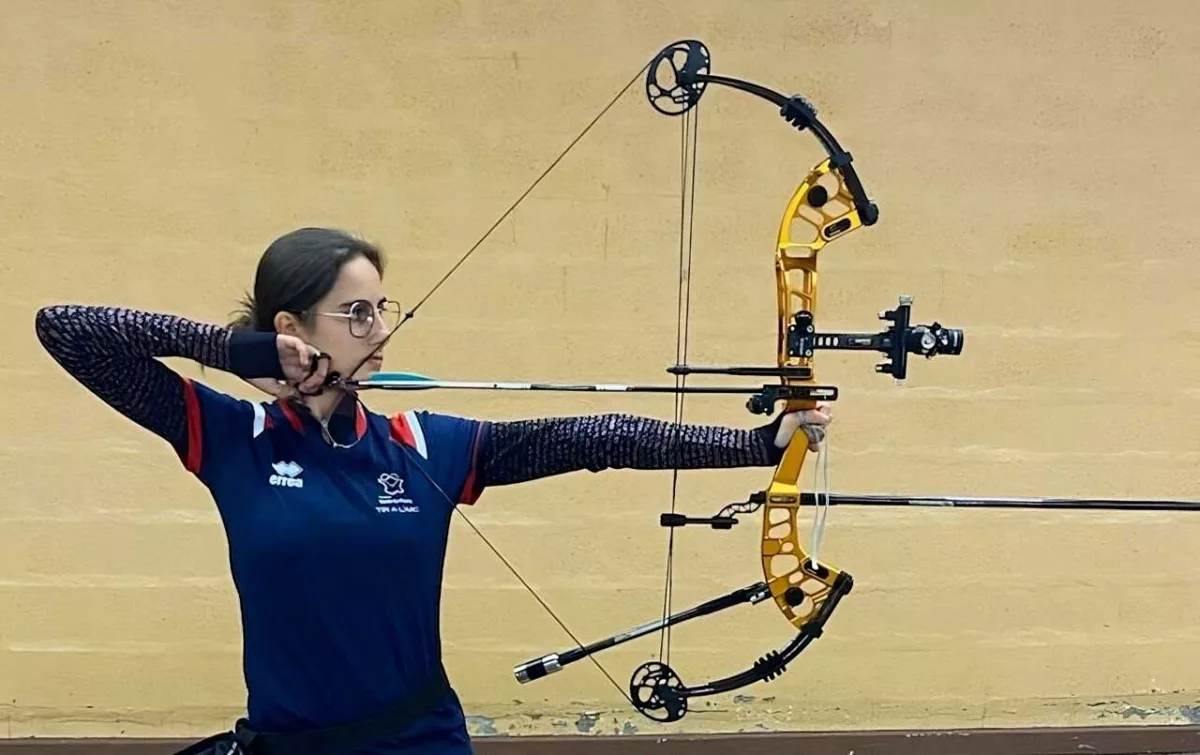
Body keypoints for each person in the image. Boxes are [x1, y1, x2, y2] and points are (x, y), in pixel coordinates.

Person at [33, 227, 832, 754]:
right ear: (292, 326)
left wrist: (756, 444)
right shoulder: (232, 438)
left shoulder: (421, 444)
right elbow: (66, 327)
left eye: (383, 308)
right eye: (354, 312)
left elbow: (591, 438)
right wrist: (233, 348)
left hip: (421, 741)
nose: (380, 329)